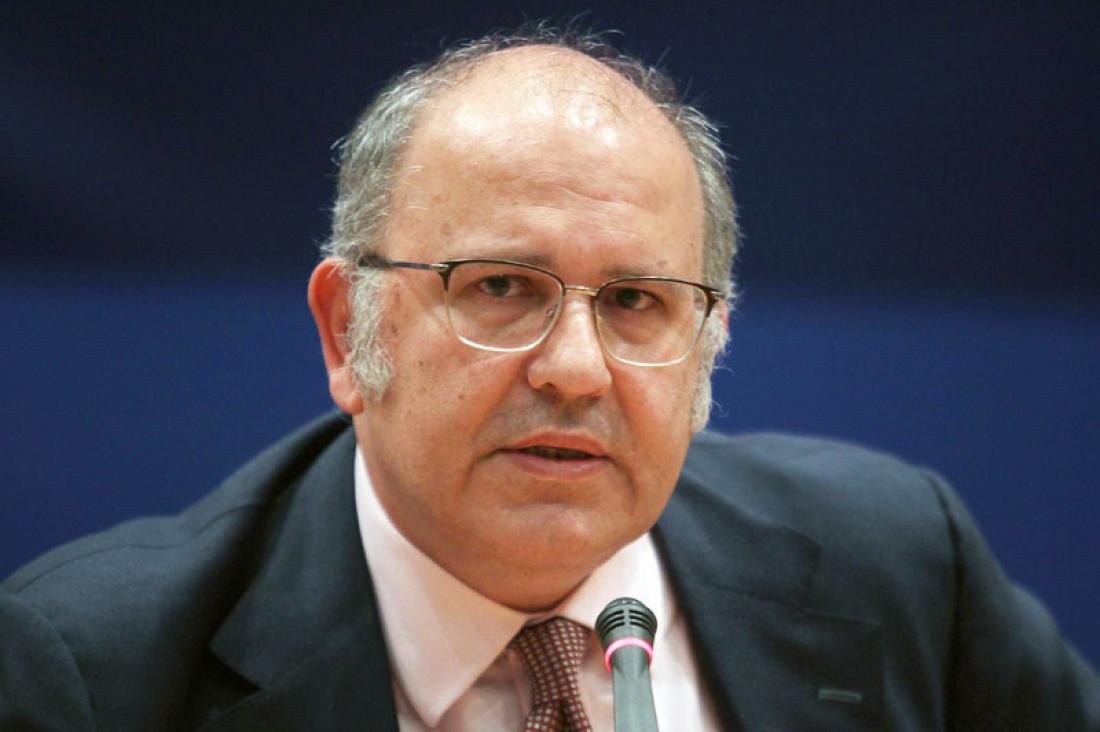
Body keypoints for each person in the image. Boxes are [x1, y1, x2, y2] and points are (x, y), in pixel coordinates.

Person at [2, 26, 1097, 732]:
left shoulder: (902, 567)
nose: (576, 370)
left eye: (636, 301)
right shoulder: (90, 676)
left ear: (708, 341)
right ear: (347, 334)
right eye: (499, 288)